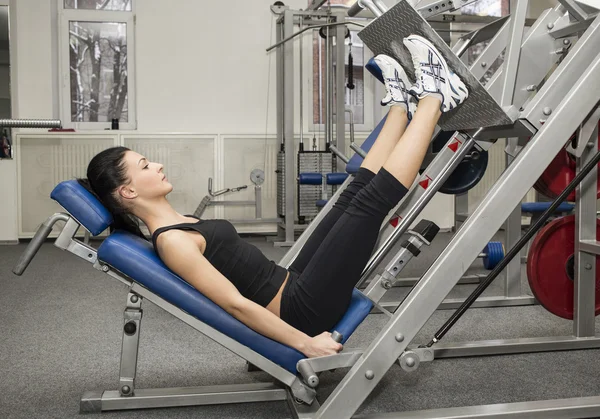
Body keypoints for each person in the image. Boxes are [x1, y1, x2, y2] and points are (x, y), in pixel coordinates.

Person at [78, 35, 468, 359]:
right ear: (127, 191)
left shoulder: (174, 223)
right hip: (303, 310)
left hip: (294, 283)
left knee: (352, 194)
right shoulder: (173, 242)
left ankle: (402, 107)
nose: (157, 167)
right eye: (144, 167)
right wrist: (305, 343)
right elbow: (235, 305)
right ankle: (434, 97)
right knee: (369, 204)